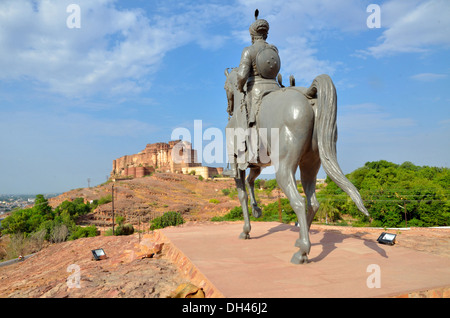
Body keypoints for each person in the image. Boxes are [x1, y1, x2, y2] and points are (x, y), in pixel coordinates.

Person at [223, 10, 281, 178]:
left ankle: (237, 163)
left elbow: (241, 76)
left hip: (256, 91)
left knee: (232, 126)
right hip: (275, 87)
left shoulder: (248, 50)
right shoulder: (273, 49)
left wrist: (240, 86)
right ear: (265, 33)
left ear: (252, 35)